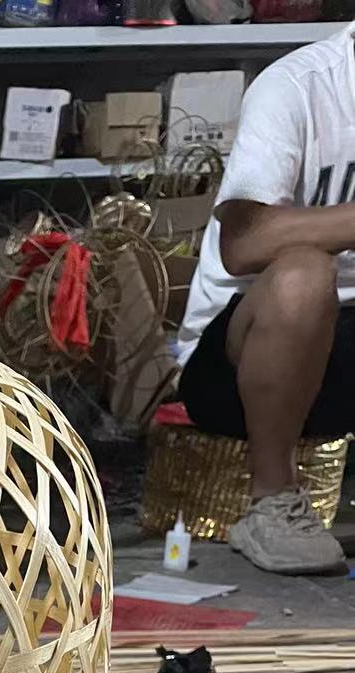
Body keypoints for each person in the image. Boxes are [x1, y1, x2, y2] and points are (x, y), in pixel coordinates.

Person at [176, 22, 355, 575]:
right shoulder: (298, 87)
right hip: (240, 360)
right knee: (305, 273)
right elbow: (243, 244)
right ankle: (272, 503)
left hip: (343, 355)